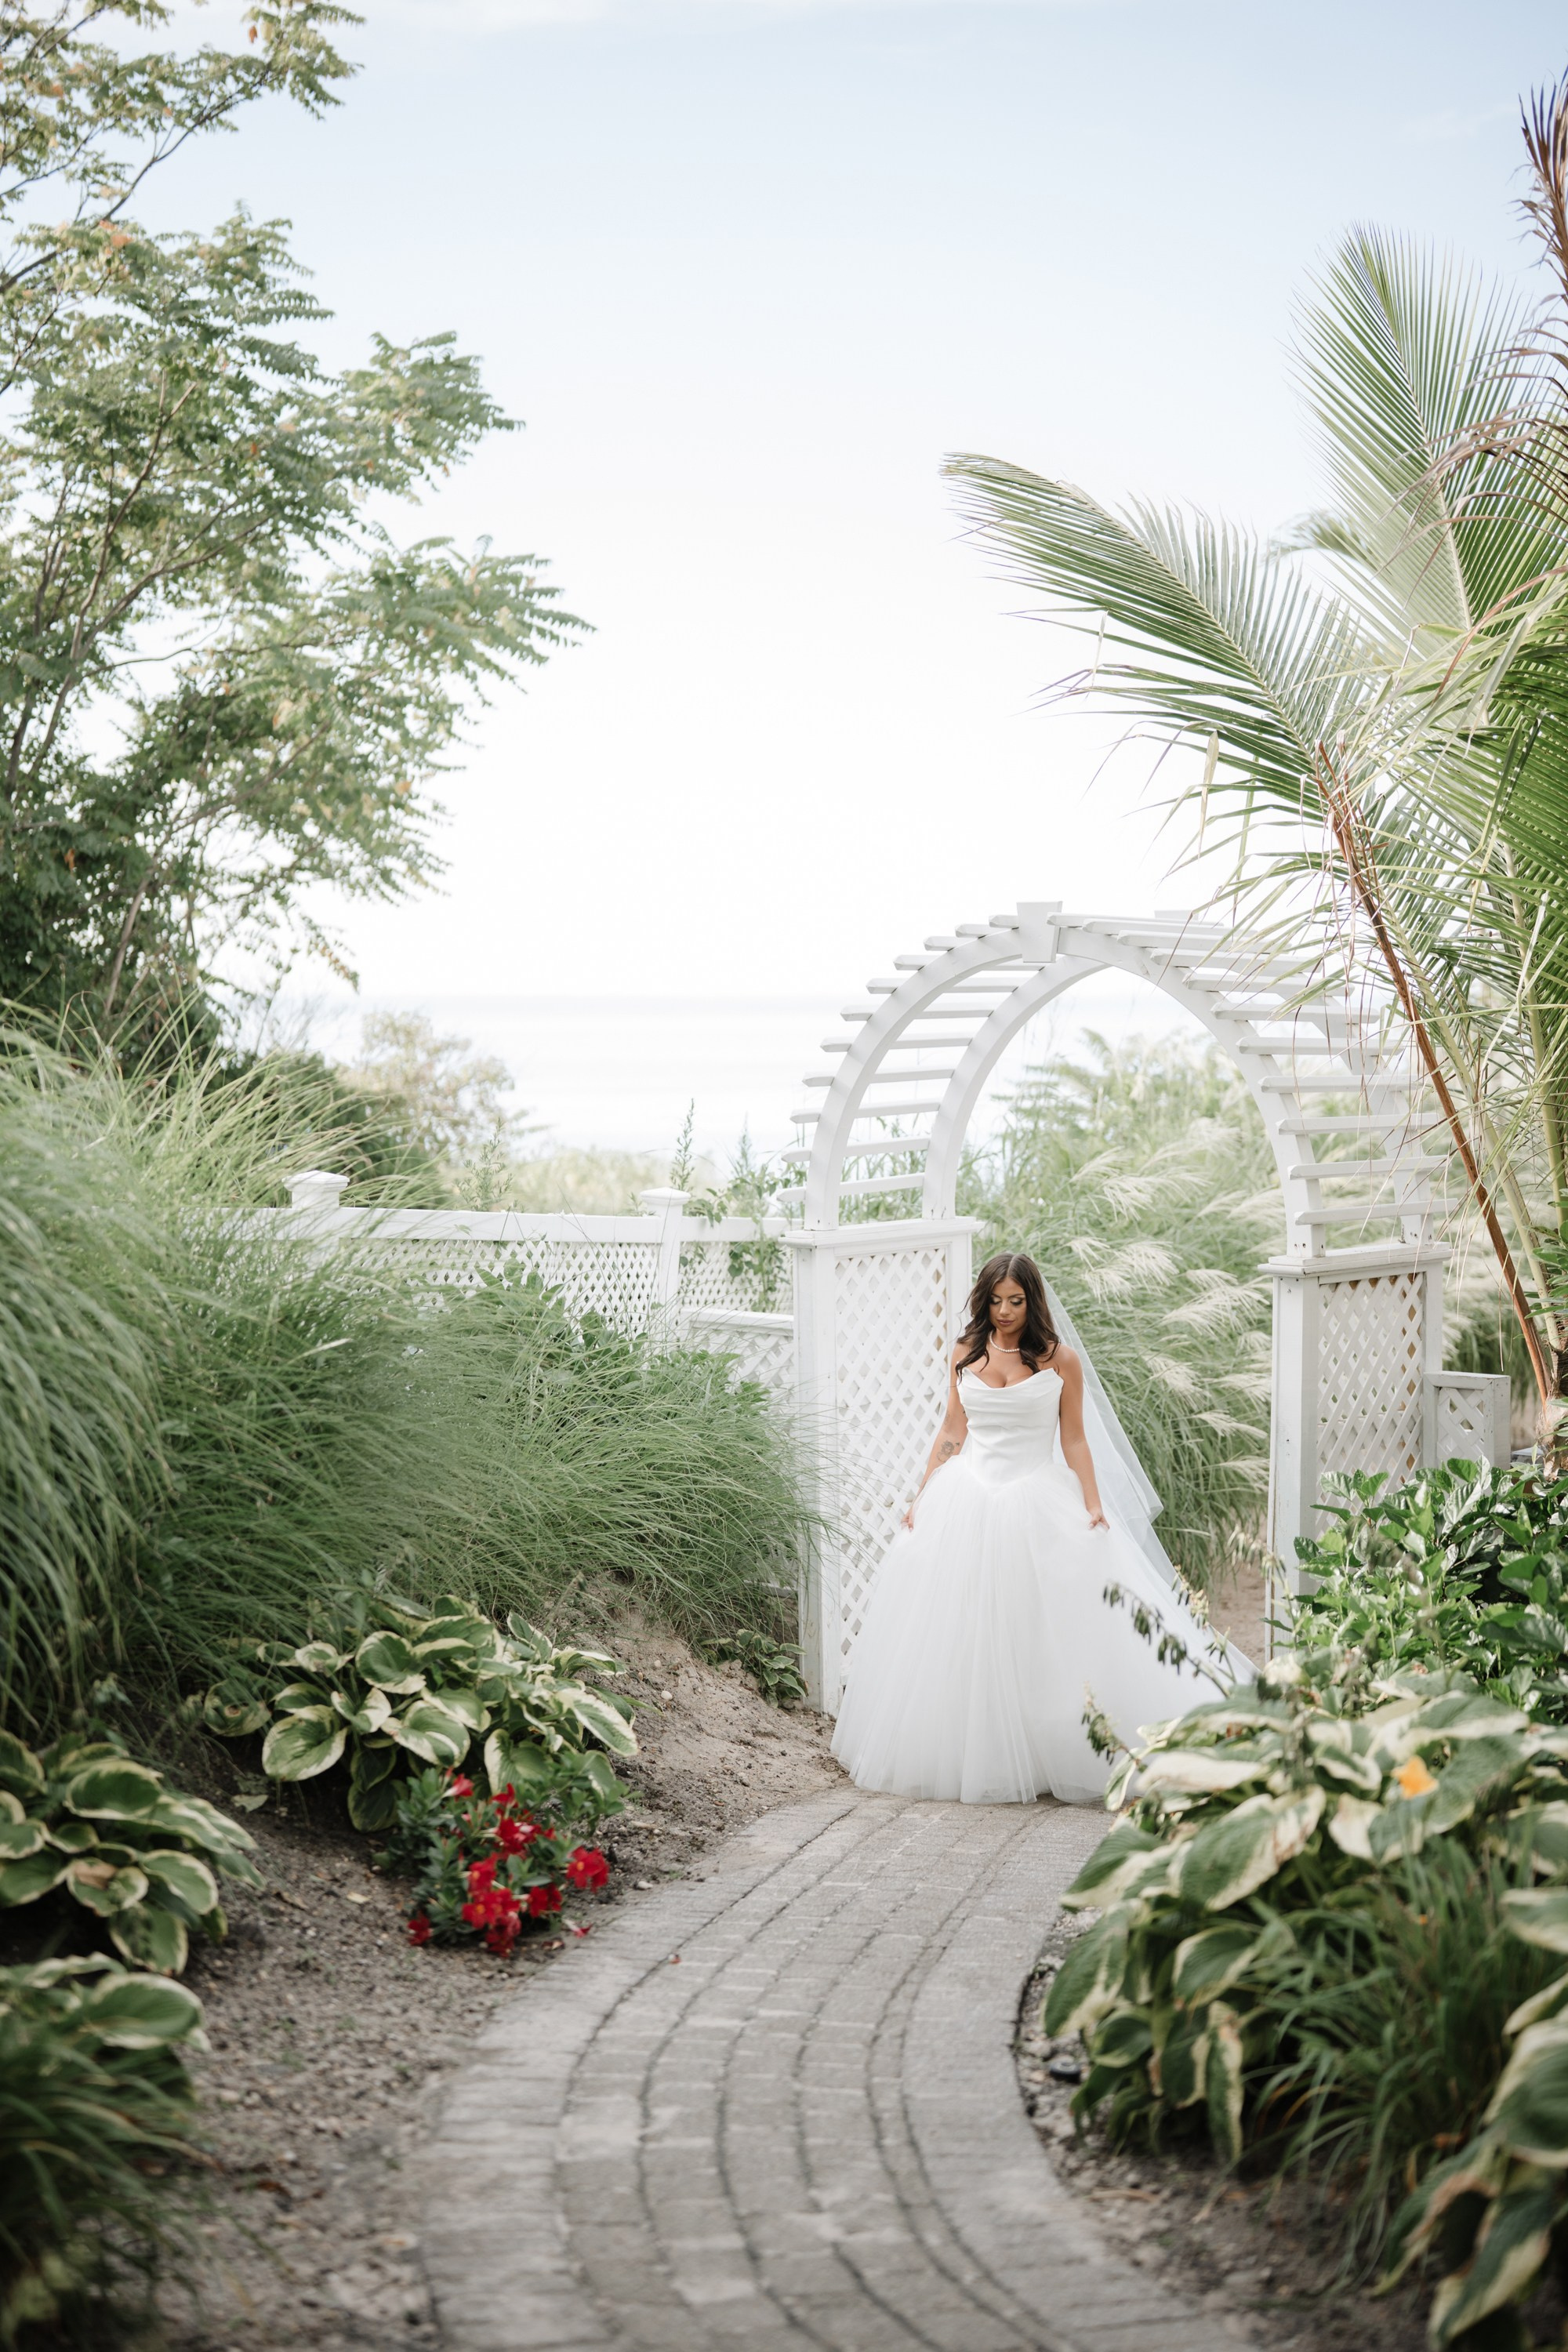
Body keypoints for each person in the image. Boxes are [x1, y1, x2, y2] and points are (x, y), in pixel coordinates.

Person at [829, 1250, 1236, 1806]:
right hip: (968, 1497)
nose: (1004, 1311)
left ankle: (1058, 1748)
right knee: (968, 1626)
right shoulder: (964, 1354)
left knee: (1043, 1626)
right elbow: (952, 1430)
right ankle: (987, 1749)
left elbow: (1073, 1438)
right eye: (995, 1301)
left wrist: (1093, 1503)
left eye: (1015, 1301)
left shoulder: (1059, 1360)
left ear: (1033, 1300)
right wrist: (921, 1493)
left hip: (1035, 1495)